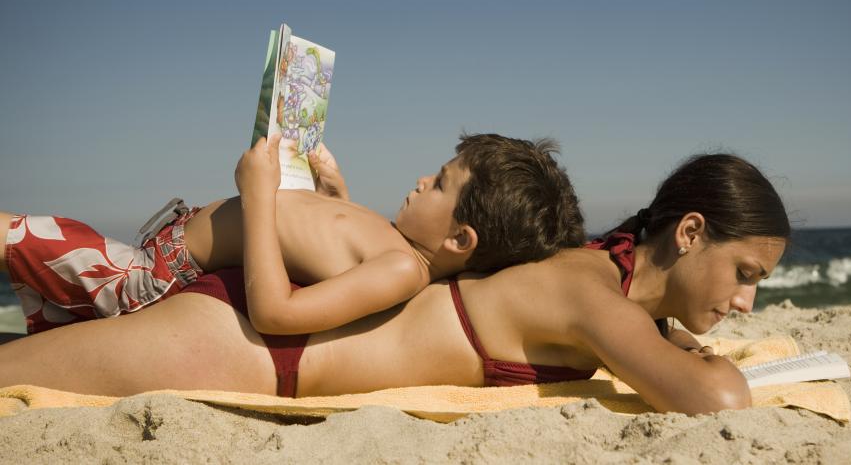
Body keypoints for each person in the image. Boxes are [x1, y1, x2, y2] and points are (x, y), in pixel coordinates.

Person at [0, 152, 789, 416]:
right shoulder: (591, 291)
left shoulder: (593, 282)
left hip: (263, 333)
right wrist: (707, 360)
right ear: (689, 233)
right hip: (245, 344)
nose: (748, 299)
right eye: (746, 273)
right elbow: (711, 400)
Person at [0, 133, 585, 336]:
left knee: (19, 236)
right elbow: (336, 249)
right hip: (157, 257)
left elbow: (278, 312)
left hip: (148, 281)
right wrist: (336, 194)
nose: (421, 178)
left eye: (440, 185)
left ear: (460, 240)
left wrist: (258, 193)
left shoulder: (404, 270)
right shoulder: (396, 248)